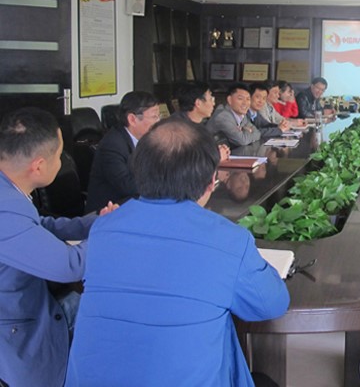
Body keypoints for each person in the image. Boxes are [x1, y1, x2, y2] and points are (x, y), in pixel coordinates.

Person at [65, 118, 290, 386]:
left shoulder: (103, 229)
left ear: (139, 172)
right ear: (211, 181)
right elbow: (272, 304)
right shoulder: (229, 239)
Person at [0, 107, 116, 387]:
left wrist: (92, 223)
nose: (63, 161)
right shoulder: (4, 209)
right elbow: (69, 266)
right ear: (38, 165)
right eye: (59, 155)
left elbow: (38, 225)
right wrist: (109, 233)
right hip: (15, 327)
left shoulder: (9, 189)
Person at [85, 91, 159, 212]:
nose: (158, 122)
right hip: (108, 211)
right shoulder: (112, 145)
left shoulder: (147, 139)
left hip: (135, 204)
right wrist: (161, 184)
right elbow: (126, 185)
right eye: (154, 117)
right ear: (132, 119)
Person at [172, 82, 231, 162]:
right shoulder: (177, 128)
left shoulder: (197, 124)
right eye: (211, 99)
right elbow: (185, 162)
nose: (214, 104)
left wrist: (216, 150)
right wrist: (217, 157)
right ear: (198, 103)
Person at [206, 82, 261, 147]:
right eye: (240, 99)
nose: (245, 103)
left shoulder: (242, 115)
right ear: (229, 100)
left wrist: (244, 131)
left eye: (248, 99)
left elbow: (258, 133)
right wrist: (247, 130)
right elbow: (243, 141)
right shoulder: (223, 116)